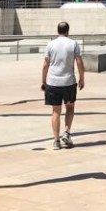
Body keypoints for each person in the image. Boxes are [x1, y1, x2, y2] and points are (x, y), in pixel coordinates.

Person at [41, 21, 85, 150]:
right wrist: (82, 78)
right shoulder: (73, 43)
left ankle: (56, 141)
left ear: (58, 31)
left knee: (55, 111)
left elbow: (45, 64)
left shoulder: (50, 44)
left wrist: (43, 81)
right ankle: (66, 132)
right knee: (70, 107)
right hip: (68, 82)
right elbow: (79, 62)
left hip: (53, 82)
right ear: (67, 31)